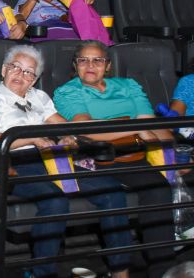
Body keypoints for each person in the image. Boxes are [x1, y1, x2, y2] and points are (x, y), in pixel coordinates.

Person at [0, 45, 132, 278]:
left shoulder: (39, 98)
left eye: (29, 72)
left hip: (53, 159)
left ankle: (120, 271)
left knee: (113, 191)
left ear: (34, 80)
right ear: (4, 70)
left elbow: (62, 124)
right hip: (14, 163)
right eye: (16, 67)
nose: (21, 75)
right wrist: (33, 138)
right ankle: (41, 273)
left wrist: (68, 136)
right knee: (55, 201)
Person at [53, 40, 177, 277]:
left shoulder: (128, 85)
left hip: (132, 155)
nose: (91, 65)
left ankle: (163, 269)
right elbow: (87, 128)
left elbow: (153, 125)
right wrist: (134, 126)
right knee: (113, 194)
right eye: (84, 60)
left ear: (107, 65)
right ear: (75, 65)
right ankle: (119, 270)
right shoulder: (68, 90)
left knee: (158, 187)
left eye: (98, 60)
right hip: (94, 158)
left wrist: (170, 145)